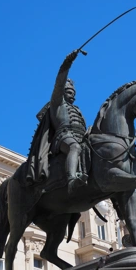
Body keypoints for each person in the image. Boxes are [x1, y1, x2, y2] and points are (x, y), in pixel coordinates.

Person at [49, 50, 87, 194]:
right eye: (70, 93)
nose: (73, 97)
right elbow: (59, 84)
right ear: (63, 93)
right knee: (75, 148)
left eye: (74, 94)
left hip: (81, 137)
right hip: (63, 137)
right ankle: (71, 179)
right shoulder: (57, 103)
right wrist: (67, 63)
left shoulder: (77, 109)